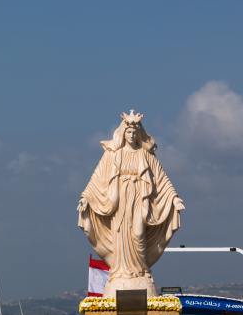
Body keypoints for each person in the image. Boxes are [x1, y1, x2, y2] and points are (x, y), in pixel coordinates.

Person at [78, 110, 184, 295]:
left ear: (138, 134)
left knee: (137, 233)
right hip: (119, 201)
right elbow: (97, 177)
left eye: (135, 132)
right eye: (128, 132)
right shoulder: (113, 154)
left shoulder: (146, 155)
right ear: (123, 133)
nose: (132, 135)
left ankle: (140, 271)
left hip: (139, 199)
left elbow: (161, 179)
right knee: (121, 235)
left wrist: (174, 197)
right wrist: (85, 197)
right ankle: (120, 273)